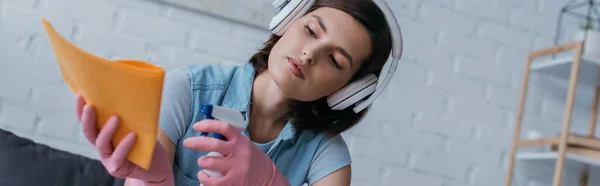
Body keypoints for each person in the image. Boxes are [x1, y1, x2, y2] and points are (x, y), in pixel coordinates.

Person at [75, 0, 396, 185]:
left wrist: (271, 183)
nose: (310, 53)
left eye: (335, 60)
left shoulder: (328, 159)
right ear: (288, 19)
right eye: (311, 30)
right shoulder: (186, 89)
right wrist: (155, 181)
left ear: (348, 92)